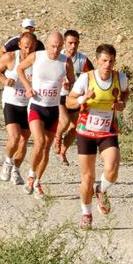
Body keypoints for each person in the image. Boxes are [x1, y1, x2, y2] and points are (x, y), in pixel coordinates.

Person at [66, 44, 128, 230]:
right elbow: (69, 102)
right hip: (86, 132)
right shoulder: (86, 78)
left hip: (108, 130)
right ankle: (86, 213)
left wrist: (122, 104)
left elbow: (125, 94)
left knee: (112, 169)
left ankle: (101, 189)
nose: (107, 64)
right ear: (98, 61)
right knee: (87, 177)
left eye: (111, 61)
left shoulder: (120, 78)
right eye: (104, 61)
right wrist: (83, 99)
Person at [17, 31, 75, 199]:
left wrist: (67, 84)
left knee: (47, 147)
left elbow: (73, 84)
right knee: (39, 141)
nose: (55, 50)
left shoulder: (66, 61)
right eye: (52, 46)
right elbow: (20, 68)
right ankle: (30, 175)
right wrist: (28, 87)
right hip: (36, 106)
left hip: (53, 109)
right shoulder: (37, 56)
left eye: (58, 47)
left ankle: (37, 181)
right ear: (47, 44)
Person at [0, 32, 37, 184]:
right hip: (11, 102)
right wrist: (4, 80)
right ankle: (8, 162)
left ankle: (16, 170)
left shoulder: (38, 60)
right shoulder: (11, 57)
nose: (28, 51)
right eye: (25, 47)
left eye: (31, 47)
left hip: (28, 104)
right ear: (19, 45)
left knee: (24, 140)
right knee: (15, 137)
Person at [54, 30, 94, 165]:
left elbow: (92, 77)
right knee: (64, 122)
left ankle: (63, 152)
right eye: (70, 43)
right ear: (64, 43)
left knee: (75, 127)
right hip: (59, 96)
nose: (73, 46)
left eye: (76, 43)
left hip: (76, 97)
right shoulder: (56, 56)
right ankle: (57, 136)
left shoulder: (83, 60)